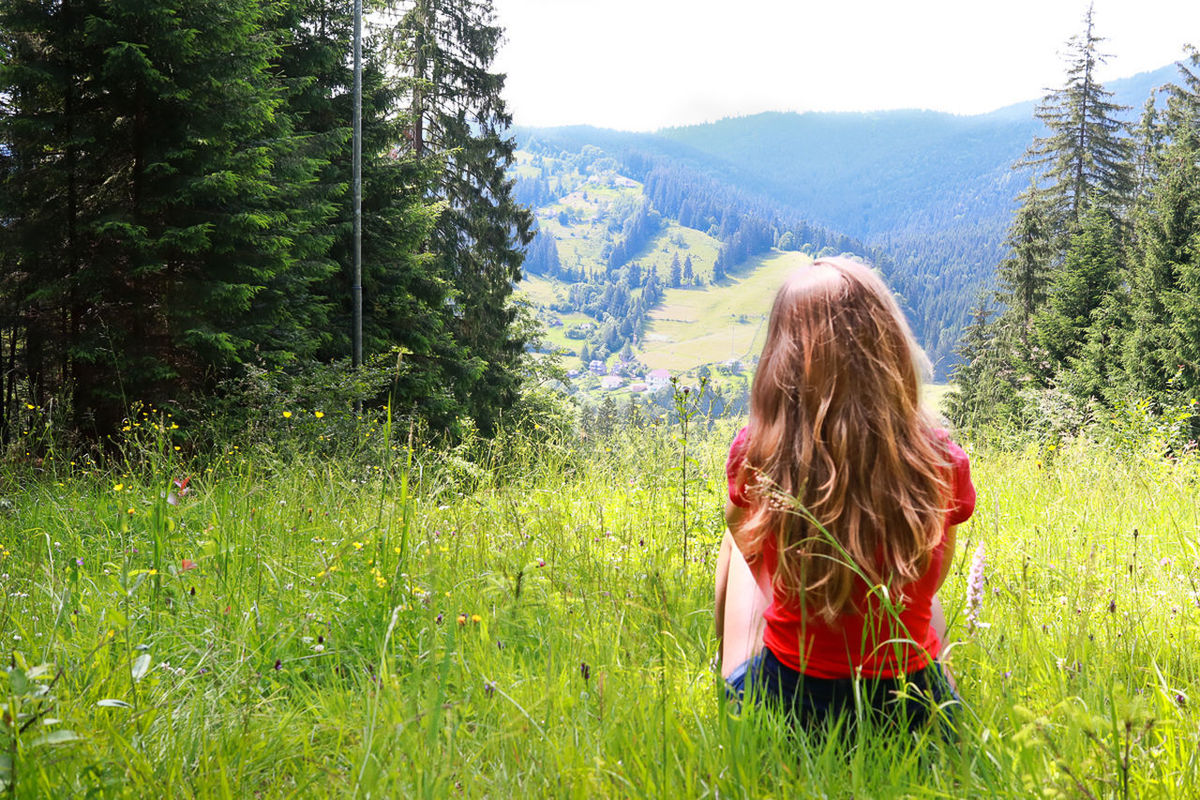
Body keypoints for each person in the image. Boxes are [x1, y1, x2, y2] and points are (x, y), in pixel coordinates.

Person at [713, 257, 975, 731]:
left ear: (782, 362)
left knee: (737, 540)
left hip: (789, 704)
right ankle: (945, 696)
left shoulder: (756, 454)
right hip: (911, 713)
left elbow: (743, 534)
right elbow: (932, 580)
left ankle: (721, 673)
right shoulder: (940, 461)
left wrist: (796, 599)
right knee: (911, 565)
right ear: (890, 349)